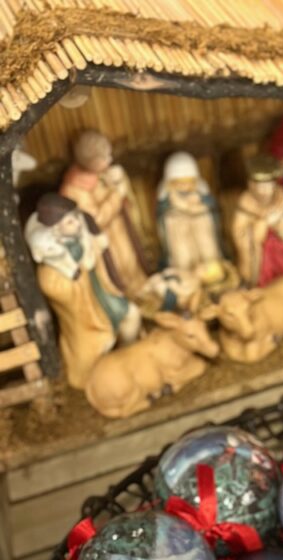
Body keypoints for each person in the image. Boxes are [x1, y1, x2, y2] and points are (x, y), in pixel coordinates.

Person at [26, 193, 141, 389]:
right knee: (93, 353)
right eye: (70, 222)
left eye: (75, 218)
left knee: (131, 315)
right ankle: (102, 383)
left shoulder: (84, 238)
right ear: (56, 229)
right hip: (84, 319)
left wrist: (96, 247)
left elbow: (97, 258)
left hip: (101, 295)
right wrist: (74, 274)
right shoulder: (51, 267)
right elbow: (56, 291)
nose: (77, 224)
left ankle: (128, 357)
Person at [60, 129, 150, 298]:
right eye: (104, 158)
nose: (109, 160)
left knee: (131, 260)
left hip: (119, 228)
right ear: (89, 161)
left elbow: (118, 193)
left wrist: (119, 180)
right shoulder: (75, 189)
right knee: (117, 268)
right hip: (103, 240)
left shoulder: (100, 173)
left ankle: (141, 289)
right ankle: (128, 297)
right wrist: (117, 193)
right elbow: (96, 221)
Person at [230, 155, 283, 287]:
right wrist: (261, 225)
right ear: (251, 185)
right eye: (259, 186)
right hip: (261, 257)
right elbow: (240, 234)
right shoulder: (245, 206)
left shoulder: (282, 199)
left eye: (267, 186)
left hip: (282, 248)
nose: (263, 191)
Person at [156, 152, 226, 285]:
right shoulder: (166, 194)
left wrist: (200, 205)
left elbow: (211, 204)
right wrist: (181, 209)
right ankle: (187, 275)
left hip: (199, 222)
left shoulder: (201, 189)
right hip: (178, 226)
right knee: (182, 252)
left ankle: (212, 271)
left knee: (206, 243)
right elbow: (162, 212)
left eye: (188, 182)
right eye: (179, 183)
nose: (184, 187)